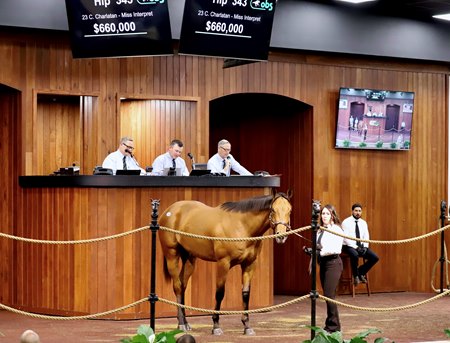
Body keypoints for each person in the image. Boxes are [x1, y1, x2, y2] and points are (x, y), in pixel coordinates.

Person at [318, 204, 344, 333]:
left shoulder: (337, 229)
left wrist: (320, 252)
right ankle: (332, 325)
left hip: (333, 263)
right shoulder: (320, 230)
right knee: (328, 295)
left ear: (332, 215)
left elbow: (334, 248)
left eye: (327, 213)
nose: (324, 216)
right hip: (323, 263)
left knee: (328, 295)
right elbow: (320, 246)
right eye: (323, 213)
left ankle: (334, 326)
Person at [342, 203, 379, 285]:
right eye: (356, 211)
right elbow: (345, 238)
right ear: (352, 211)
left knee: (375, 258)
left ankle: (360, 272)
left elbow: (366, 236)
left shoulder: (363, 223)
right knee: (354, 255)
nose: (358, 213)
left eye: (359, 211)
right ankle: (355, 276)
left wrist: (365, 247)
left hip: (361, 246)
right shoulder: (346, 222)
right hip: (348, 246)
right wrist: (356, 247)